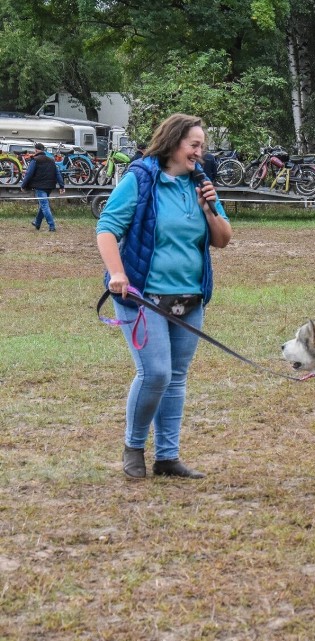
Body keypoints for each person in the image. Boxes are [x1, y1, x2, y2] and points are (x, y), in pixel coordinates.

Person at [96, 113, 233, 480]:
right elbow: (107, 229)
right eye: (194, 145)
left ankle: (168, 457)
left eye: (202, 146)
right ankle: (134, 446)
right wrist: (118, 273)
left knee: (175, 377)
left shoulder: (201, 184)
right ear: (174, 143)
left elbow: (222, 239)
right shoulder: (141, 179)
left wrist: (209, 207)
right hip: (142, 296)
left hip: (189, 298)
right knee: (155, 373)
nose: (200, 152)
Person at [21, 142, 65, 232]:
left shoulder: (35, 160)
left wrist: (23, 185)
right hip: (49, 186)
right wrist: (61, 186)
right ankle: (37, 223)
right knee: (43, 205)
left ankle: (52, 226)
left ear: (36, 150)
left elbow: (29, 174)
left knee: (44, 205)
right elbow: (57, 173)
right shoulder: (51, 160)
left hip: (40, 187)